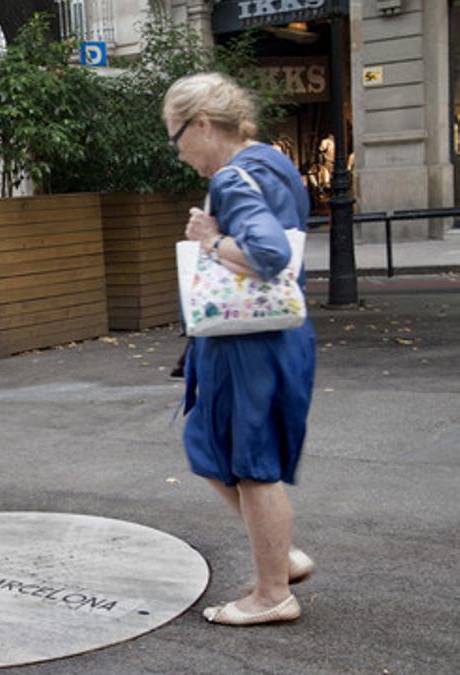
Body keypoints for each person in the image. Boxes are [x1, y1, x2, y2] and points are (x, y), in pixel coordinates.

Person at [164, 73, 316, 626]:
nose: (180, 154)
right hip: (270, 334)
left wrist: (210, 239)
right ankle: (279, 557)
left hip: (248, 341)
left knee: (250, 463)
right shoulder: (272, 162)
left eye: (178, 138)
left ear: (203, 124)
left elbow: (268, 253)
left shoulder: (233, 178)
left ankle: (273, 593)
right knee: (212, 443)